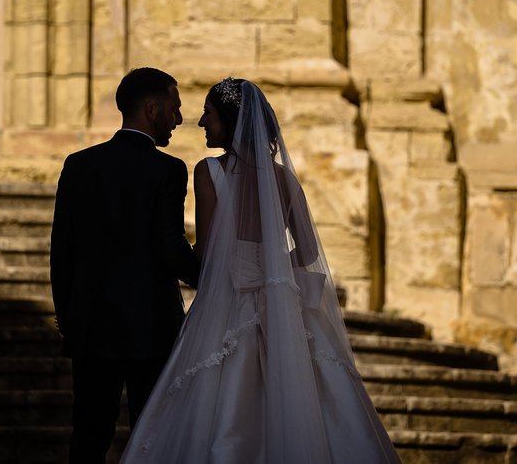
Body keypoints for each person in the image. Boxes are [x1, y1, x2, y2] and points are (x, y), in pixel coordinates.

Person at [120, 78, 400, 464]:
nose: (201, 122)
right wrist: (271, 269)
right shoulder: (283, 178)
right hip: (279, 304)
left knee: (218, 406)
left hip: (226, 302)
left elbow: (208, 251)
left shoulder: (208, 172)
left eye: (209, 114)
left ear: (230, 122)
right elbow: (307, 251)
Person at [50, 67, 201, 464]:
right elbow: (169, 245)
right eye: (174, 108)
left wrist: (69, 317)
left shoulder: (79, 164)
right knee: (152, 433)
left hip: (91, 325)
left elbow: (62, 250)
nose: (179, 119)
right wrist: (207, 271)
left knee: (88, 433)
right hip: (151, 327)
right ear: (151, 110)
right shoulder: (167, 169)